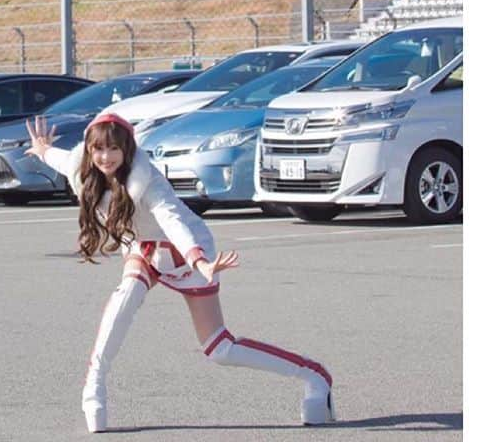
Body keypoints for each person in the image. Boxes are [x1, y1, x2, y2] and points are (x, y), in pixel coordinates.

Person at [25, 112, 335, 433]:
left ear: (128, 149)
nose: (106, 157)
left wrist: (199, 260)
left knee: (220, 349)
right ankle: (94, 389)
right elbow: (61, 159)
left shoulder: (148, 181)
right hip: (142, 249)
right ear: (89, 150)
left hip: (184, 251)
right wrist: (43, 149)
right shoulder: (83, 169)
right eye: (98, 149)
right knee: (126, 295)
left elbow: (173, 221)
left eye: (114, 149)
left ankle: (314, 375)